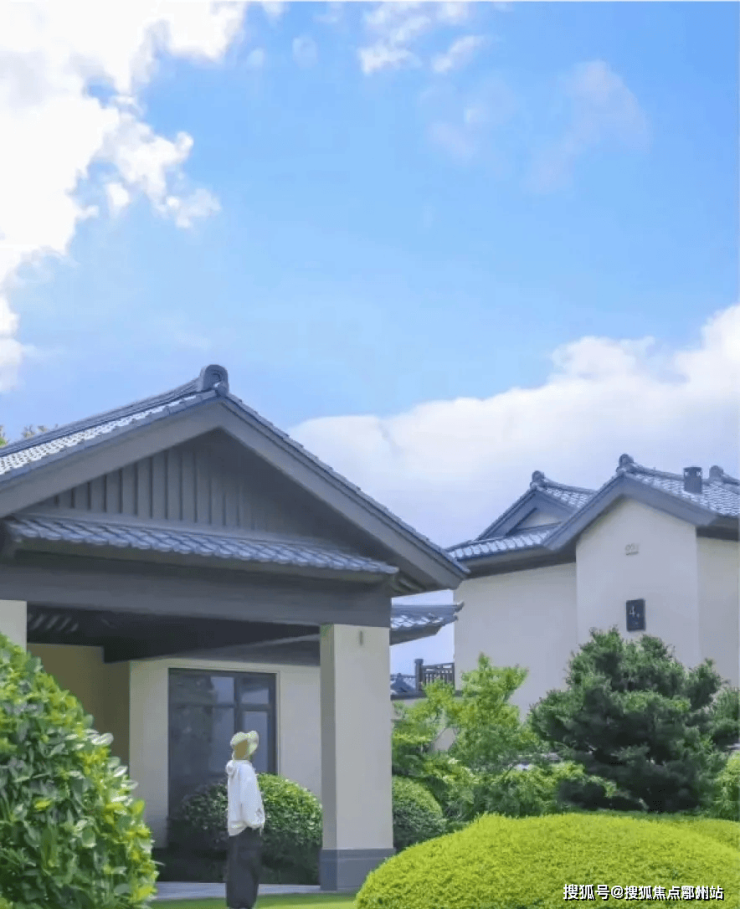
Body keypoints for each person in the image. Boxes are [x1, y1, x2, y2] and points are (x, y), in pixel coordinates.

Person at [226, 731, 266, 909]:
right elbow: (248, 801)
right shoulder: (246, 770)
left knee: (237, 876)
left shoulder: (234, 770)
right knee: (249, 877)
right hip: (247, 831)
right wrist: (256, 822)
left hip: (235, 831)